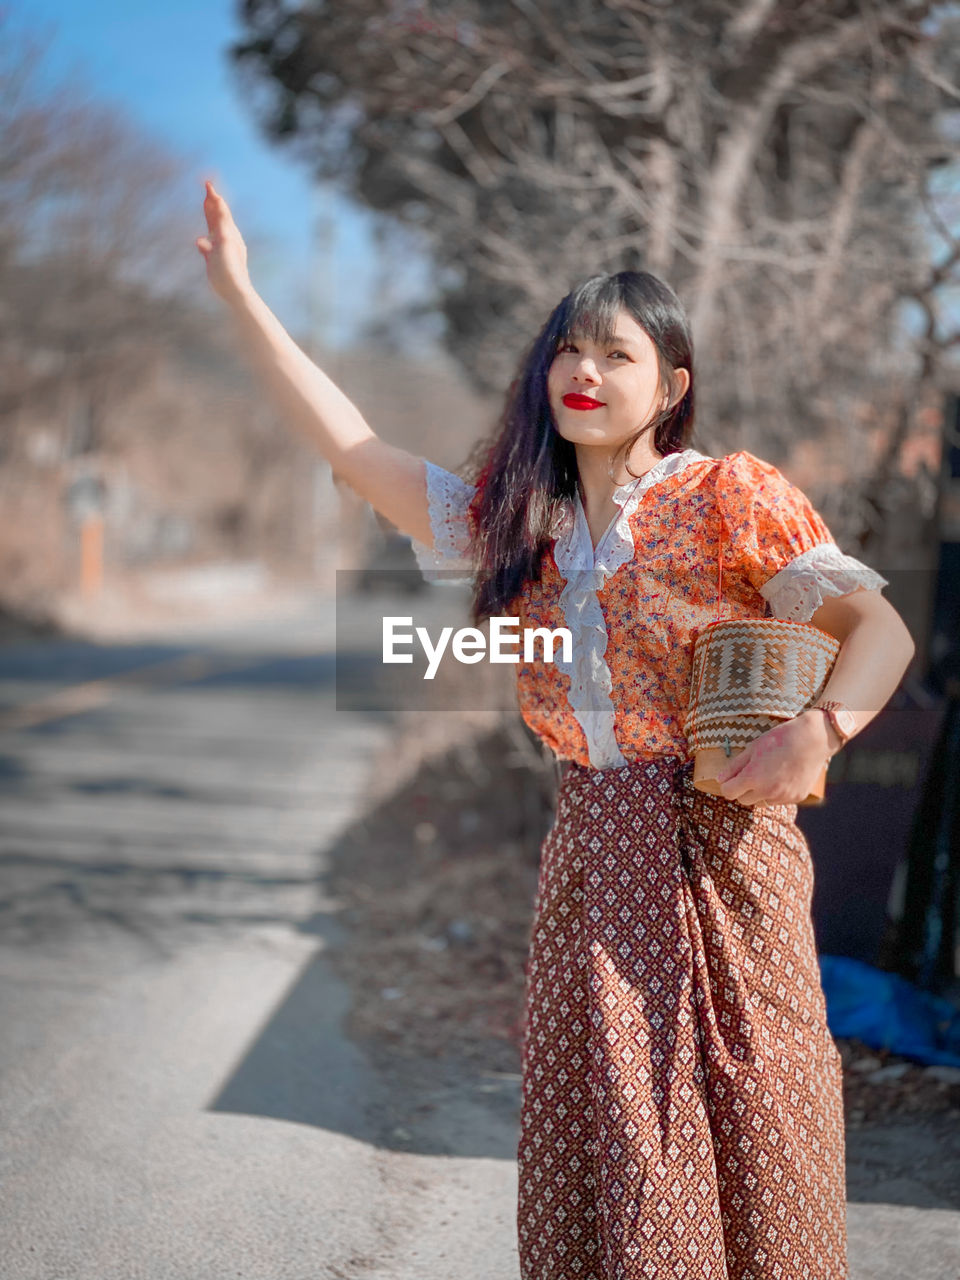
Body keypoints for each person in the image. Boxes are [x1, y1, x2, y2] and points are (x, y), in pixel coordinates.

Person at [197, 180, 915, 1279]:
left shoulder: (729, 494)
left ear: (671, 384)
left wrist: (823, 729)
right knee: (617, 1139)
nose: (584, 372)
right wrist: (242, 297)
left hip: (731, 851)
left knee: (766, 1125)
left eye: (615, 354)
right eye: (568, 351)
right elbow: (352, 449)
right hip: (593, 855)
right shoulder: (511, 523)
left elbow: (880, 629)